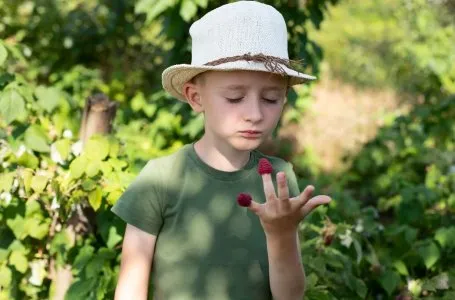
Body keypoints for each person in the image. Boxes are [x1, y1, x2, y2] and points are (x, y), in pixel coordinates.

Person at [111, 1, 331, 299]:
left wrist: (281, 235)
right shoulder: (161, 179)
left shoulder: (279, 179)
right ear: (195, 96)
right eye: (234, 97)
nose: (254, 113)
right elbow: (130, 287)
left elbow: (289, 296)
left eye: (270, 99)